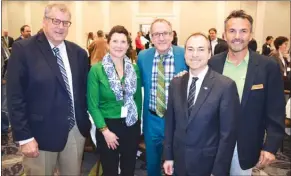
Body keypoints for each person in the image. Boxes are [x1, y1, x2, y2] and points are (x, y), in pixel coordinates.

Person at [7, 3, 91, 175]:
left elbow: (83, 91)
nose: (61, 26)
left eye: (65, 22)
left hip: (74, 131)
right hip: (39, 134)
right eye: (55, 21)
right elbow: (15, 96)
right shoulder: (24, 49)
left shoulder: (79, 53)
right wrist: (24, 137)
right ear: (44, 21)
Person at [208, 10, 285, 175]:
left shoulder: (267, 66)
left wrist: (271, 146)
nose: (237, 36)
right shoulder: (213, 63)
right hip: (213, 143)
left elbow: (276, 110)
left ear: (251, 35)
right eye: (232, 31)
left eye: (243, 31)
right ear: (224, 34)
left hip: (245, 145)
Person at [163, 32, 240, 176]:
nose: (195, 54)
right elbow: (170, 124)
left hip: (208, 165)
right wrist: (168, 156)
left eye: (201, 49)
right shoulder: (176, 83)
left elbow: (227, 135)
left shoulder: (225, 86)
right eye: (190, 49)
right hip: (179, 162)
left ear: (210, 53)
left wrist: (218, 170)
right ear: (184, 53)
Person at [87, 25, 142, 176]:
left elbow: (138, 99)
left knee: (128, 169)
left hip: (131, 125)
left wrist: (138, 124)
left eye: (123, 42)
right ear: (108, 43)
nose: (119, 45)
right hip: (108, 126)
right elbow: (92, 105)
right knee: (110, 170)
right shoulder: (96, 70)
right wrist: (104, 131)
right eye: (115, 41)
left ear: (128, 45)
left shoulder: (134, 69)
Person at [137, 18, 187, 176]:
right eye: (156, 34)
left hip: (177, 120)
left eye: (165, 33)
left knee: (178, 163)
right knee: (152, 163)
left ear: (172, 35)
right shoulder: (143, 57)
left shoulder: (185, 54)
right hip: (152, 119)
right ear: (151, 38)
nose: (161, 38)